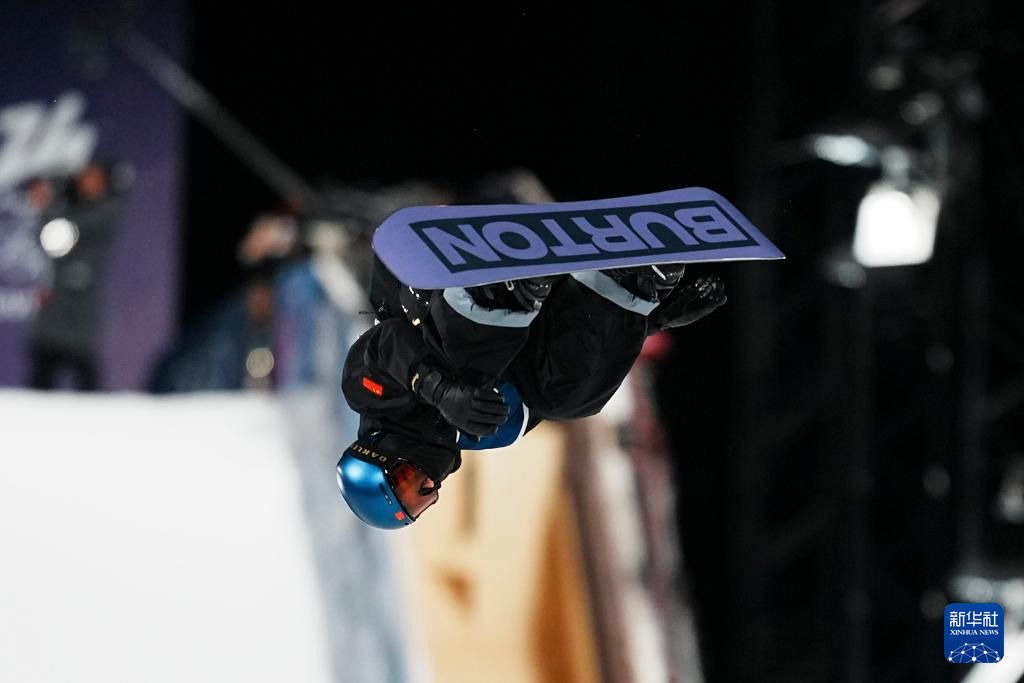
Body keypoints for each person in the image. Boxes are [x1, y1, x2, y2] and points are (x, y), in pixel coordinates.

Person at [337, 255, 727, 529]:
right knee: (562, 400)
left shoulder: (370, 397)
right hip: (542, 302)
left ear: (377, 451)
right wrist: (647, 322)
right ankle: (621, 286)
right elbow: (558, 367)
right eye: (423, 499)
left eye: (406, 480)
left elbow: (386, 345)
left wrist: (440, 391)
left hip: (426, 278)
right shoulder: (482, 432)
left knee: (466, 374)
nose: (429, 485)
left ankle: (498, 290)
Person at [27, 161, 122, 390]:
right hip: (56, 303)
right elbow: (51, 241)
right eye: (84, 177)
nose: (88, 181)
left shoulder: (108, 206)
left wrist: (49, 206)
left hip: (82, 306)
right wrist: (48, 205)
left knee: (85, 368)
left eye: (94, 177)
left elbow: (74, 230)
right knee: (43, 368)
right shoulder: (67, 208)